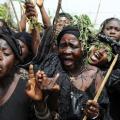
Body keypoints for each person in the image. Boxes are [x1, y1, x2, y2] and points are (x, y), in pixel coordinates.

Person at [26, 25, 113, 120]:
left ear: (82, 47)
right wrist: (51, 96)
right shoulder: (51, 69)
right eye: (62, 46)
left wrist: (95, 114)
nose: (67, 51)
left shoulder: (95, 74)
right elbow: (44, 115)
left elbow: (104, 112)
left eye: (73, 46)